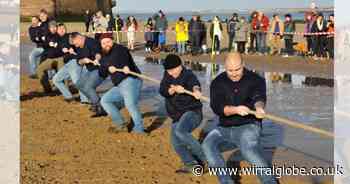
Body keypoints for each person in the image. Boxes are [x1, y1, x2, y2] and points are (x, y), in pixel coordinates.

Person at [202, 53, 278, 184]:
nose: (234, 74)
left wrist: (259, 108)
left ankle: (269, 181)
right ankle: (226, 181)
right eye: (230, 70)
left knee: (247, 149)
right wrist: (236, 110)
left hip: (249, 125)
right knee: (207, 145)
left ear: (243, 65)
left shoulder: (256, 79)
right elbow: (217, 107)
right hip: (224, 126)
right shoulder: (217, 82)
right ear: (225, 67)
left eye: (237, 69)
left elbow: (258, 97)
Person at [159, 54, 207, 173]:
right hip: (176, 116)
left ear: (180, 66)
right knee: (175, 142)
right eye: (169, 71)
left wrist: (196, 91)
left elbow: (195, 84)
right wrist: (171, 90)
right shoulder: (167, 75)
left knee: (181, 131)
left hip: (192, 112)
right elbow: (162, 89)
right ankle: (191, 163)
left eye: (173, 70)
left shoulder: (188, 75)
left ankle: (206, 159)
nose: (171, 73)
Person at [99, 34, 145, 134]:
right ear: (101, 45)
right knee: (105, 100)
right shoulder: (103, 55)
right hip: (119, 84)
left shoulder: (120, 49)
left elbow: (124, 59)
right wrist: (106, 67)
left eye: (108, 42)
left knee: (130, 104)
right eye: (103, 43)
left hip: (131, 79)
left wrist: (125, 66)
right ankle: (121, 124)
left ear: (113, 41)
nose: (106, 44)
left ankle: (139, 129)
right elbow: (101, 73)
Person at [70, 32, 106, 115]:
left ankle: (101, 107)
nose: (76, 46)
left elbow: (98, 53)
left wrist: (97, 59)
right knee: (79, 84)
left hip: (100, 69)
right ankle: (95, 102)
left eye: (75, 43)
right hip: (90, 70)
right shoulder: (79, 47)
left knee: (88, 87)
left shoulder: (92, 42)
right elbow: (78, 61)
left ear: (79, 38)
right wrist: (83, 61)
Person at [52, 28, 90, 103]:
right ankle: (69, 97)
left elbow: (78, 47)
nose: (62, 30)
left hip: (74, 62)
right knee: (56, 79)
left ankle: (85, 100)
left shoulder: (69, 36)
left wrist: (71, 49)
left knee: (77, 82)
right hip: (67, 64)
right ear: (57, 31)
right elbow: (56, 52)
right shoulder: (57, 39)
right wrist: (61, 48)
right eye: (59, 29)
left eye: (63, 28)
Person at [36, 21, 65, 93]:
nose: (54, 28)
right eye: (52, 27)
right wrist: (48, 43)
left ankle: (64, 88)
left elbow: (60, 46)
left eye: (55, 27)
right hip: (47, 56)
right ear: (49, 28)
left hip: (57, 58)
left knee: (61, 72)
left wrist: (54, 44)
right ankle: (47, 88)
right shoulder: (46, 35)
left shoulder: (58, 36)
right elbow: (43, 43)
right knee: (40, 70)